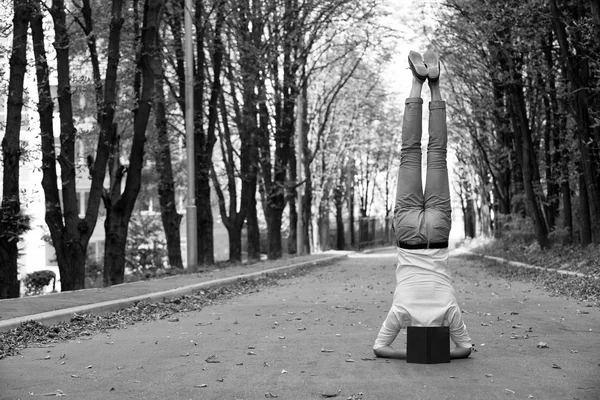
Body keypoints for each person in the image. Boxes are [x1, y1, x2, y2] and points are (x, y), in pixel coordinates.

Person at [372, 50, 472, 360]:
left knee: (437, 154)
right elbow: (380, 348)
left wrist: (440, 354)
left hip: (438, 231)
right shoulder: (400, 314)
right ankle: (417, 82)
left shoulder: (449, 313)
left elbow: (465, 349)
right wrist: (411, 355)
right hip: (407, 233)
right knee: (410, 152)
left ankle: (435, 83)